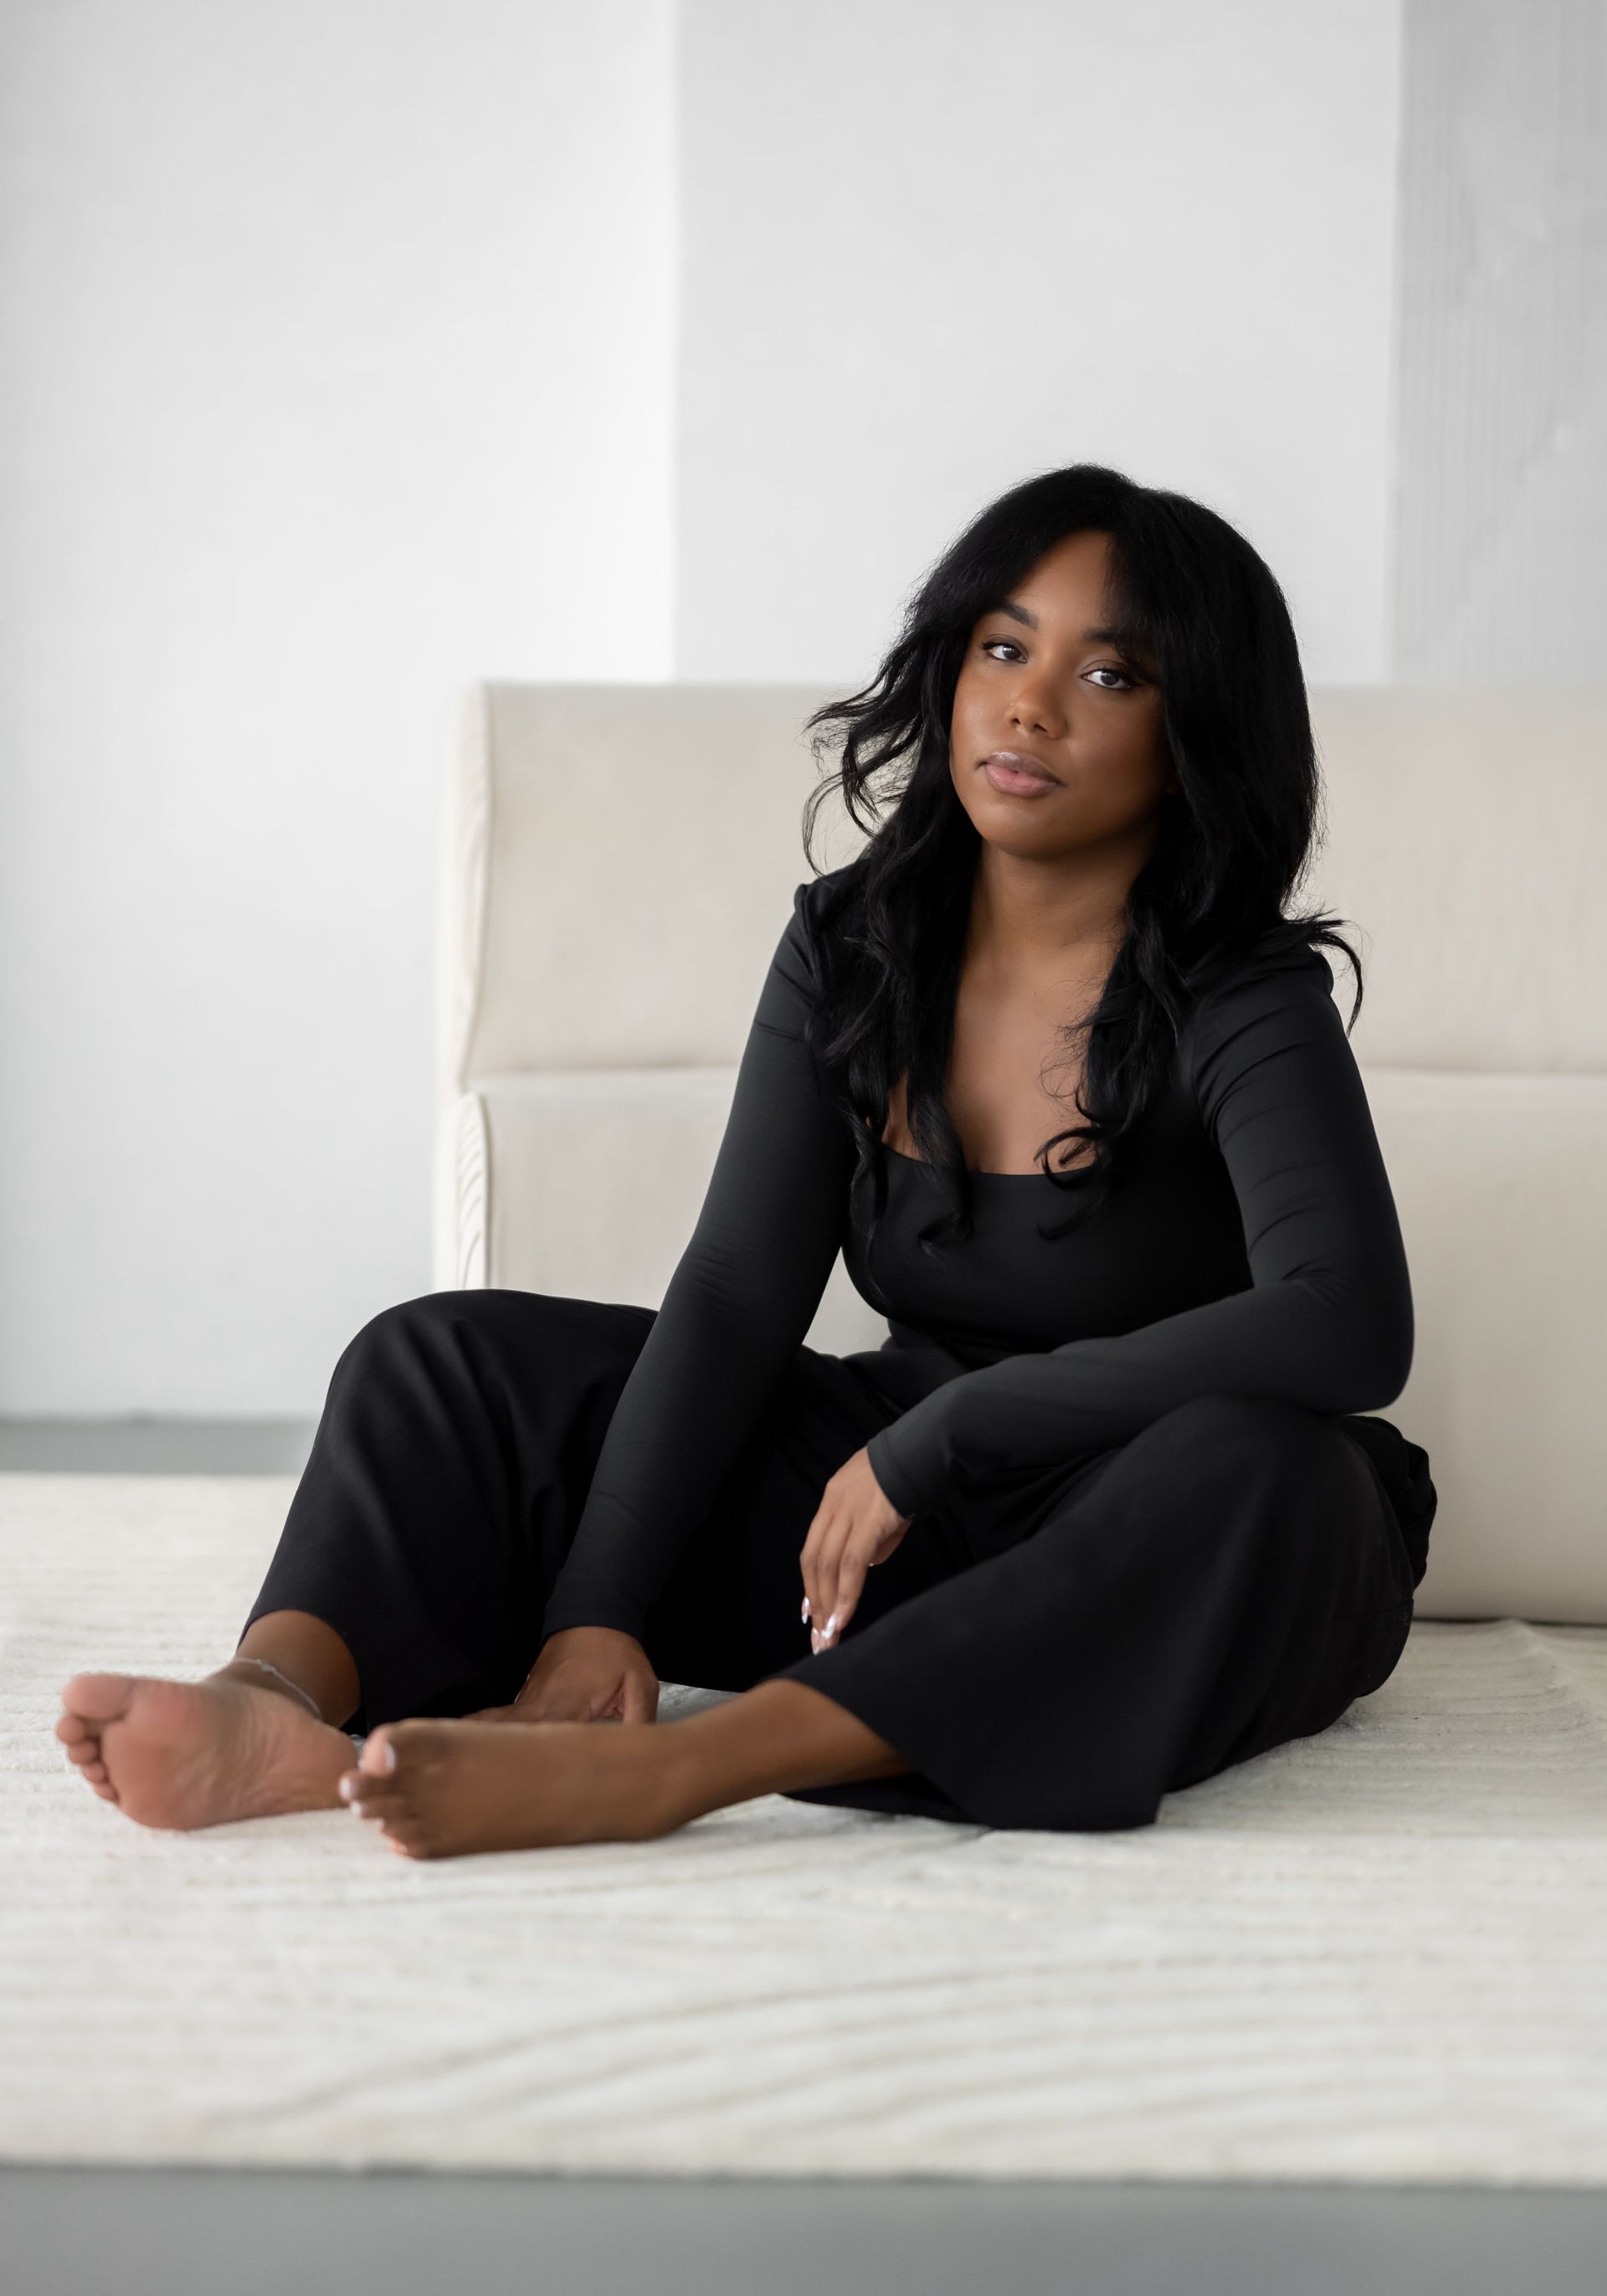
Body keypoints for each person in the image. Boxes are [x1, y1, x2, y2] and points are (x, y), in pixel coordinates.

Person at [55, 463, 1436, 1860]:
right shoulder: (854, 947)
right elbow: (733, 1292)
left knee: (1278, 1471)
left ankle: (684, 1772)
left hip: (1156, 1518)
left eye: (1113, 674)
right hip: (888, 1527)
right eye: (1004, 647)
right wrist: (595, 1615)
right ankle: (279, 1701)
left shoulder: (1244, 993)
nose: (1030, 702)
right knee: (444, 1362)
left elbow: (1347, 1320)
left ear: (1194, 731)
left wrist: (950, 1431)